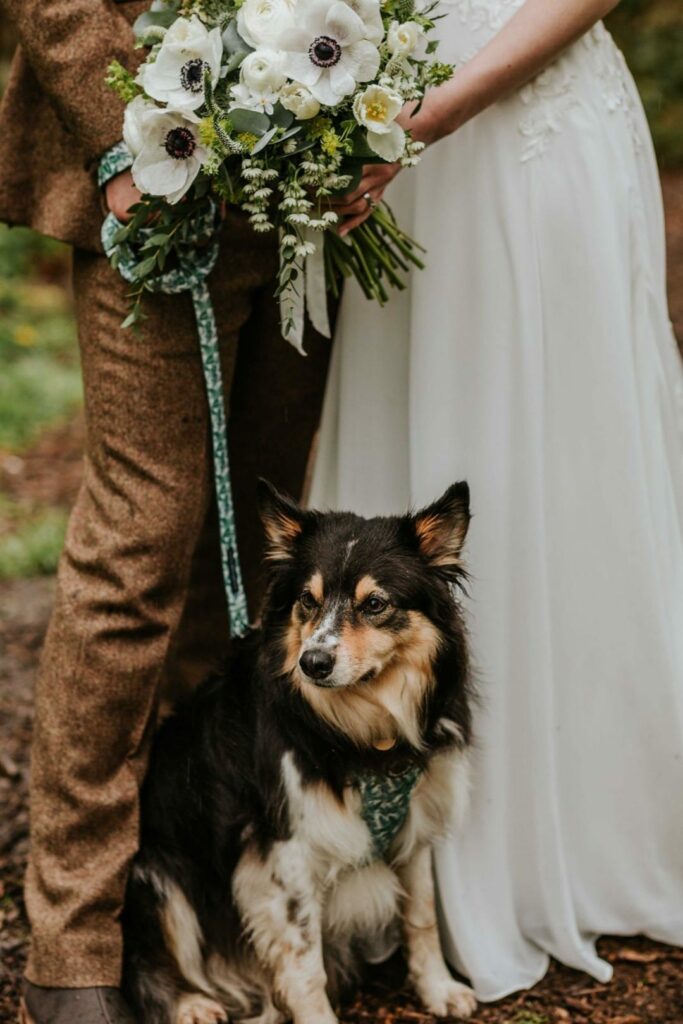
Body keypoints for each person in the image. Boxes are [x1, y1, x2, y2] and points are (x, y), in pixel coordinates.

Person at [315, 0, 683, 1000]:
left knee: (559, 460)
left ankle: (592, 826)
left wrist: (418, 122)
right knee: (424, 432)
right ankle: (382, 847)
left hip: (525, 137)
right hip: (399, 152)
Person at [0, 2, 330, 1022]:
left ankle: (191, 885)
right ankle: (75, 938)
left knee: (257, 543)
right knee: (141, 540)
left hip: (302, 183)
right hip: (146, 170)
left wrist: (361, 129)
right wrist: (125, 139)